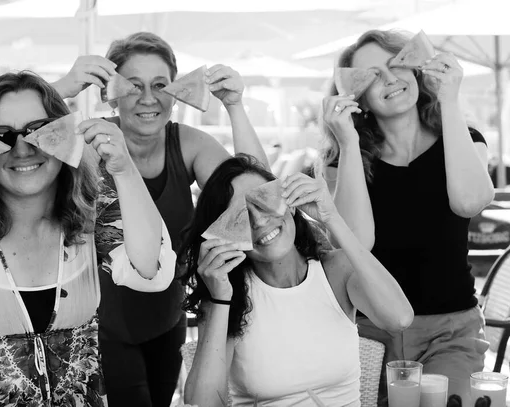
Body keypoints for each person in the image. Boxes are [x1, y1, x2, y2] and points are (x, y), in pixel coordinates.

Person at [0, 71, 176, 406]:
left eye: (38, 132)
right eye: (2, 136)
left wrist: (124, 170)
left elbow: (152, 272)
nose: (22, 149)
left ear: (64, 136)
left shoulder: (93, 209)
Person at [52, 32, 269, 406]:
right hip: (99, 329)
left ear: (178, 91)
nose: (148, 98)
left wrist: (235, 107)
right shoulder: (91, 141)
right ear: (110, 90)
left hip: (168, 324)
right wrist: (62, 90)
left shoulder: (188, 144)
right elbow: (8, 148)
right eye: (133, 85)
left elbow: (259, 199)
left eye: (160, 85)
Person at [321, 29, 494, 405]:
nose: (389, 79)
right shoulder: (344, 161)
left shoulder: (465, 139)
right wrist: (349, 143)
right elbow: (355, 243)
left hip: (451, 333)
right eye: (371, 76)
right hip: (367, 333)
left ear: (416, 71)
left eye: (396, 65)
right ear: (357, 98)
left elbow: (470, 202)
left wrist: (449, 99)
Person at [179, 154, 413, 407]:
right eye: (240, 218)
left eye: (264, 201)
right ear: (226, 237)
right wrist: (219, 298)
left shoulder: (336, 270)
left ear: (289, 203)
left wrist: (331, 217)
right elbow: (202, 404)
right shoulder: (225, 294)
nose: (259, 221)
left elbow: (399, 318)